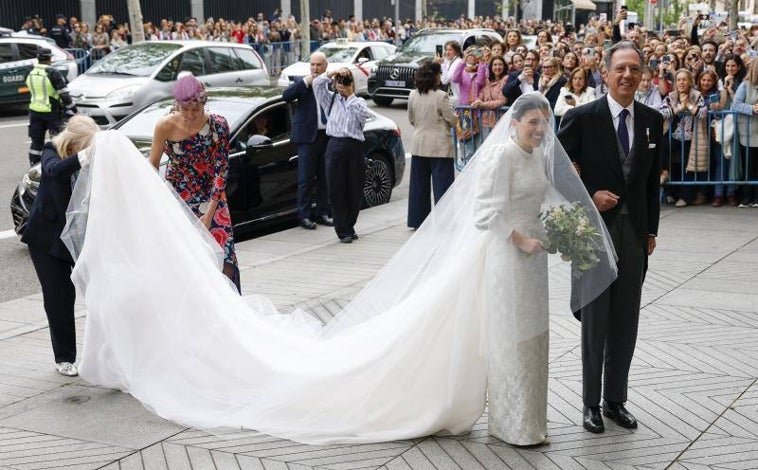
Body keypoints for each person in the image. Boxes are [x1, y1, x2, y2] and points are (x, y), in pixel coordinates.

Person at [66, 93, 615, 445]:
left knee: (514, 336)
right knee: (481, 331)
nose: (542, 131)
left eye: (545, 123)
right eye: (534, 122)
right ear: (517, 123)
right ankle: (507, 418)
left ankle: (522, 419)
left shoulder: (537, 156)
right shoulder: (500, 156)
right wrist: (522, 233)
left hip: (526, 260)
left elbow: (539, 201)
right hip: (501, 255)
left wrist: (561, 230)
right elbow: (487, 212)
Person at [558, 41, 661, 434]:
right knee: (595, 322)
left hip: (634, 234)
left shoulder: (653, 120)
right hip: (592, 233)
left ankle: (615, 399)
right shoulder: (582, 117)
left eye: (634, 69)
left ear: (642, 74)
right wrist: (589, 196)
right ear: (605, 72)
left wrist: (651, 229)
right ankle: (589, 404)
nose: (627, 76)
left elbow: (651, 182)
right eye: (620, 68)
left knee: (626, 320)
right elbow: (557, 173)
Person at [21, 115, 99, 377]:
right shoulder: (50, 151)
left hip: (80, 237)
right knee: (59, 299)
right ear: (73, 142)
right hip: (47, 241)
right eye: (83, 145)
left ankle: (108, 354)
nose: (85, 150)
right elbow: (54, 171)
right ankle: (65, 358)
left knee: (102, 293)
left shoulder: (93, 159)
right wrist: (83, 156)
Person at [149, 75, 241, 291]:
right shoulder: (164, 125)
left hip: (212, 195)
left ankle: (230, 305)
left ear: (203, 104)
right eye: (185, 109)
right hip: (178, 196)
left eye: (196, 110)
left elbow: (221, 170)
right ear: (177, 105)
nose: (190, 115)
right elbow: (152, 164)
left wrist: (208, 216)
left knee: (224, 255)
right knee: (186, 257)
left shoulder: (218, 124)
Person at [313, 68, 370, 243]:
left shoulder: (359, 101)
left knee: (355, 189)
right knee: (336, 189)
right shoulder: (330, 100)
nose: (341, 85)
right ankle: (342, 230)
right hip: (335, 145)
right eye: (339, 82)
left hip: (354, 146)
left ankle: (349, 225)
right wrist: (332, 73)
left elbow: (363, 114)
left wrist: (350, 94)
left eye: (345, 82)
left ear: (352, 84)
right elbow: (317, 84)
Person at [282, 51, 333, 230]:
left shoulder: (329, 83)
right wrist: (305, 82)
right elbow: (286, 96)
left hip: (326, 135)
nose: (315, 68)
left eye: (319, 65)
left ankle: (323, 213)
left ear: (326, 66)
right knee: (306, 178)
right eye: (312, 64)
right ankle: (304, 216)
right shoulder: (301, 82)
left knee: (325, 178)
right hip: (307, 137)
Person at [406, 61, 458, 229]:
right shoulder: (441, 95)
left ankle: (417, 221)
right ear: (436, 76)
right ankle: (445, 222)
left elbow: (411, 119)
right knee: (443, 187)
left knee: (418, 187)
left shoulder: (413, 94)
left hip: (419, 143)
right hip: (440, 146)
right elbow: (451, 118)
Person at [660, 68, 706, 207]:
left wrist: (689, 106)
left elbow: (703, 113)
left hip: (691, 137)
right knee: (662, 150)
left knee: (688, 165)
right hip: (673, 134)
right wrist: (678, 108)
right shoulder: (671, 96)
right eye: (678, 79)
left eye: (684, 79)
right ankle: (666, 180)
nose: (681, 82)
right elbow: (662, 113)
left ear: (690, 82)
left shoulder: (697, 95)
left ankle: (685, 197)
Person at [26, 47, 78, 166]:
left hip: (34, 111)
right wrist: (74, 109)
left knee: (36, 143)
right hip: (51, 112)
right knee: (57, 141)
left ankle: (34, 165)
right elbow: (64, 95)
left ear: (38, 58)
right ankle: (56, 165)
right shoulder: (52, 72)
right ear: (49, 58)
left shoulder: (30, 71)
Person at [731, 58, 758, 208]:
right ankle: (746, 197)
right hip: (748, 131)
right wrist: (752, 109)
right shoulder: (745, 85)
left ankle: (756, 198)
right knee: (749, 166)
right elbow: (736, 104)